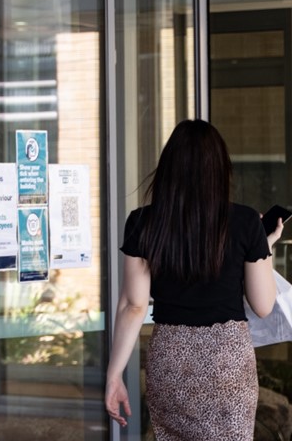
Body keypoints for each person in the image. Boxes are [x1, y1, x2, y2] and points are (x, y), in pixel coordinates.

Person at [106, 119, 284, 438]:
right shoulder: (245, 222)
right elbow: (263, 304)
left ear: (169, 168)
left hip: (170, 363)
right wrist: (264, 247)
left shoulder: (142, 222)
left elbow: (133, 306)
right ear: (219, 168)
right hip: (227, 365)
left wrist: (114, 375)